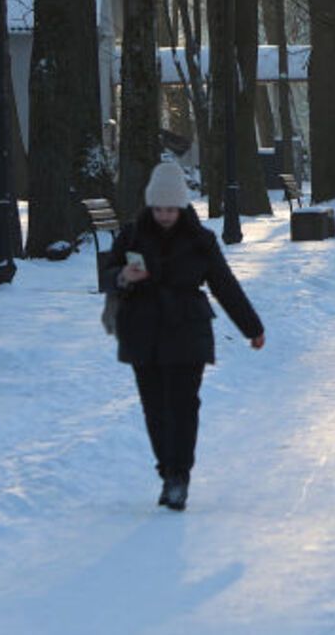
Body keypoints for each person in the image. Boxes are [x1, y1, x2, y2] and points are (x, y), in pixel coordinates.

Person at [103, 160, 266, 512]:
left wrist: (252, 327)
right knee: (154, 407)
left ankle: (179, 476)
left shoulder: (200, 240)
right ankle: (166, 470)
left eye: (170, 209)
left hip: (186, 331)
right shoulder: (131, 235)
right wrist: (123, 277)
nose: (164, 215)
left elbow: (224, 285)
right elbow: (107, 274)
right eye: (158, 208)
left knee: (183, 405)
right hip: (141, 331)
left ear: (181, 206)